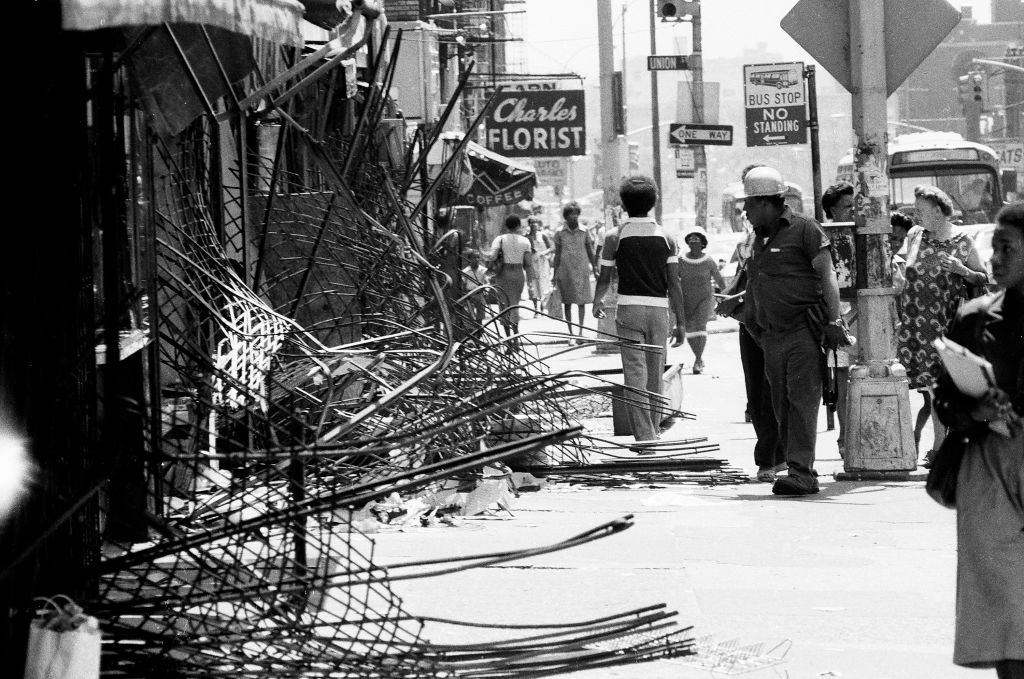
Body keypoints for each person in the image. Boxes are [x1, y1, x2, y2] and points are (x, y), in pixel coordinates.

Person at [931, 202, 1024, 678]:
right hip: (988, 463)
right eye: (995, 248)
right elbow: (943, 398)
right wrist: (975, 409)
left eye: (1006, 249)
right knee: (1000, 598)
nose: (994, 259)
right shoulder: (973, 318)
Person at [743, 166, 847, 496]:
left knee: (802, 401)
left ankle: (802, 472)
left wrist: (835, 320)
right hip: (771, 335)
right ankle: (795, 467)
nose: (745, 211)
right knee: (780, 405)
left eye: (749, 204)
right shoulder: (760, 238)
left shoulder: (805, 229)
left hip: (803, 329)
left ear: (765, 202)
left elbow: (827, 276)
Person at [896, 185, 989, 467]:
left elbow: (981, 277)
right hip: (914, 325)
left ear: (938, 211)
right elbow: (901, 262)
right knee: (930, 389)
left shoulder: (962, 242)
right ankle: (941, 445)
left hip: (945, 324)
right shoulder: (915, 235)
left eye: (921, 210)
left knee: (939, 388)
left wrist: (961, 270)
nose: (916, 216)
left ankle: (940, 446)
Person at [593, 175, 687, 443]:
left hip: (628, 310)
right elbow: (674, 284)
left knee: (634, 375)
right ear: (653, 202)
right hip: (659, 312)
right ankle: (654, 429)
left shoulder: (615, 236)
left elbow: (605, 278)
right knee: (655, 373)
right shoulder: (667, 237)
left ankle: (645, 438)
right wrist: (681, 322)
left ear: (623, 204)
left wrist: (597, 302)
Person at [717, 164, 785, 481]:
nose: (746, 210)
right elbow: (744, 280)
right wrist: (729, 300)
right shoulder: (749, 242)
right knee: (758, 391)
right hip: (752, 326)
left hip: (781, 325)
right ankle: (770, 456)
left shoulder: (794, 234)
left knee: (778, 392)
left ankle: (779, 456)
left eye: (750, 202)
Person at [821, 181, 856, 458]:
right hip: (839, 319)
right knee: (842, 380)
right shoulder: (823, 237)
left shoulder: (863, 233)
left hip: (862, 316)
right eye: (847, 206)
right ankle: (846, 439)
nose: (853, 210)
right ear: (833, 209)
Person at [675, 227, 725, 374]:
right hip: (686, 299)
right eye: (690, 238)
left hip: (705, 298)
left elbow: (719, 279)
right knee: (690, 328)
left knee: (701, 325)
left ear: (703, 242)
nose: (693, 240)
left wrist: (727, 296)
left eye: (697, 238)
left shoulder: (708, 260)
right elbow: (674, 280)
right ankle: (698, 357)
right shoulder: (681, 260)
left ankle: (698, 359)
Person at [552, 201, 598, 343]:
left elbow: (590, 251)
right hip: (565, 271)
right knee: (567, 302)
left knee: (582, 302)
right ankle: (571, 333)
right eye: (571, 214)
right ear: (566, 216)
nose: (574, 216)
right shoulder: (560, 233)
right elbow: (557, 254)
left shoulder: (585, 231)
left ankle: (580, 332)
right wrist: (554, 274)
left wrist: (595, 268)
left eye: (576, 213)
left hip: (581, 270)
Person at [486, 214, 534, 341]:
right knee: (515, 305)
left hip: (503, 274)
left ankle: (508, 339)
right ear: (518, 225)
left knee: (503, 306)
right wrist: (531, 283)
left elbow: (492, 257)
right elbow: (528, 264)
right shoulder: (525, 241)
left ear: (506, 226)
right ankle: (516, 338)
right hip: (518, 274)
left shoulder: (499, 239)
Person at [526, 216, 553, 317]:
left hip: (542, 261)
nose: (534, 224)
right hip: (532, 262)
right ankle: (535, 308)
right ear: (529, 224)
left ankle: (542, 307)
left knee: (543, 284)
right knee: (533, 285)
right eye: (532, 222)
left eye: (535, 222)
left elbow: (551, 247)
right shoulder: (526, 237)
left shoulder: (543, 235)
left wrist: (543, 253)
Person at [461, 248, 488, 323]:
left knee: (480, 315)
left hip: (479, 294)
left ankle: (480, 329)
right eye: (474, 257)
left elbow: (486, 282)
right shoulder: (465, 271)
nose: (476, 259)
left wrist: (486, 291)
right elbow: (464, 284)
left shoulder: (483, 270)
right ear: (469, 259)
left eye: (478, 257)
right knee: (470, 315)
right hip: (469, 295)